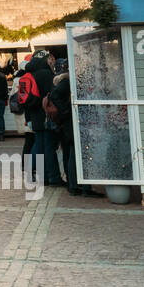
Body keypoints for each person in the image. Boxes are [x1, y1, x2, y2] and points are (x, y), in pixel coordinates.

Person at [46, 61, 89, 196]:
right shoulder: (67, 81)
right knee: (72, 152)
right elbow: (55, 96)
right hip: (68, 121)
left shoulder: (64, 81)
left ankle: (74, 184)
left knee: (70, 152)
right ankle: (74, 184)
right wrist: (65, 111)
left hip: (67, 121)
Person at [22, 51, 60, 186]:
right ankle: (53, 177)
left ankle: (41, 176)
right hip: (46, 116)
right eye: (50, 58)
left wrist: (29, 118)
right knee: (48, 146)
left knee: (39, 145)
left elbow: (25, 101)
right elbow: (53, 96)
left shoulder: (28, 74)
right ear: (45, 59)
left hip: (34, 115)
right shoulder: (46, 74)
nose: (52, 61)